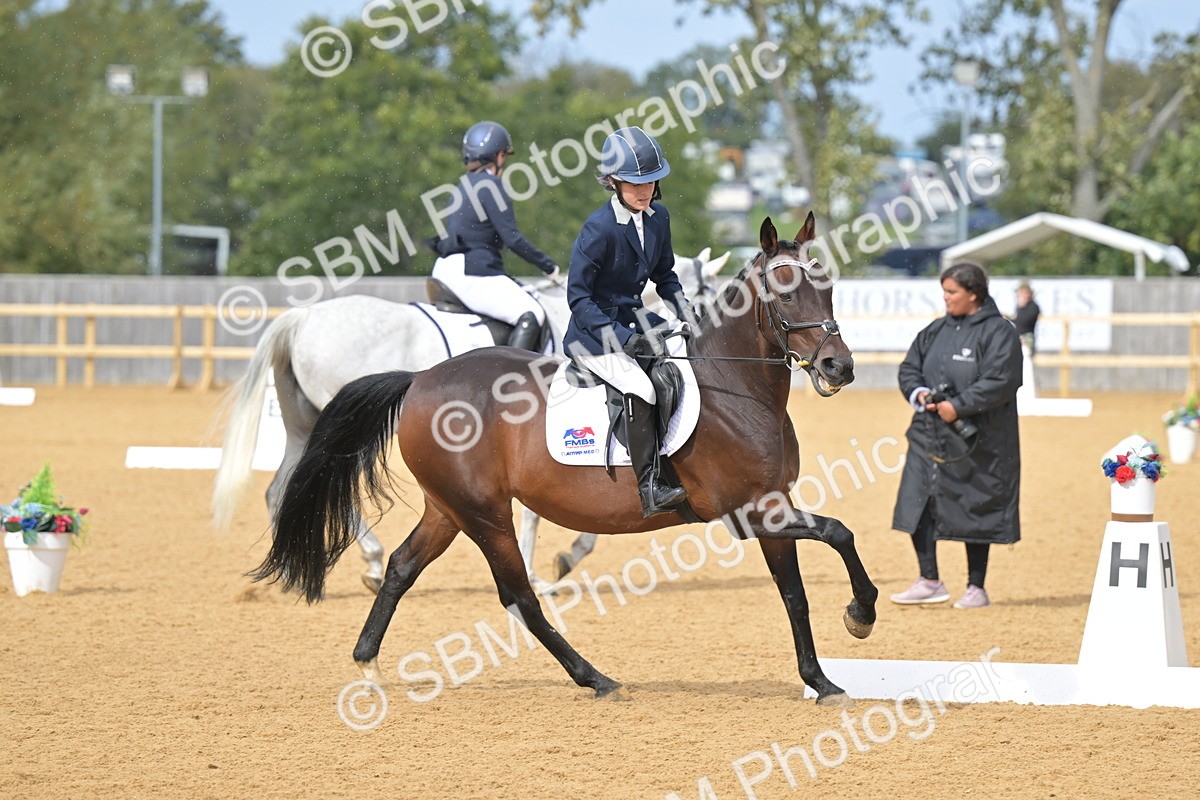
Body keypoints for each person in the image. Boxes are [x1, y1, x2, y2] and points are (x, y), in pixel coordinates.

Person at [563, 126, 693, 517]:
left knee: (679, 369)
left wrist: (687, 311)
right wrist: (620, 338)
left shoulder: (659, 218)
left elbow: (665, 276)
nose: (645, 190)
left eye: (651, 182)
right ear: (613, 182)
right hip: (594, 332)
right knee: (642, 388)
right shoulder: (598, 229)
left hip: (635, 319)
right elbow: (578, 298)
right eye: (635, 184)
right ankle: (650, 484)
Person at [890, 262, 1023, 609]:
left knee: (975, 508)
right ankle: (929, 579)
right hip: (927, 435)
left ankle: (976, 587)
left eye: (952, 292)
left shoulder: (1000, 332)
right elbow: (909, 368)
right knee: (917, 501)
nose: (946, 298)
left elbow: (1001, 381)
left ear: (973, 294)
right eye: (944, 292)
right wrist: (918, 392)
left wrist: (958, 406)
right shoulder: (935, 330)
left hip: (978, 440)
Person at [429, 121, 562, 351]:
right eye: (504, 155)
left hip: (444, 269)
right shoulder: (492, 185)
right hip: (472, 272)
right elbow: (512, 239)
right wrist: (549, 266)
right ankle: (512, 378)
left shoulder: (460, 186)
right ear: (499, 155)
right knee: (532, 314)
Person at [1010, 283, 1041, 353]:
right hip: (1018, 339)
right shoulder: (1019, 307)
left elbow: (1024, 321)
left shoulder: (1033, 307)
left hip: (1027, 340)